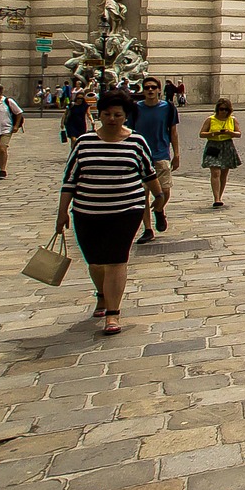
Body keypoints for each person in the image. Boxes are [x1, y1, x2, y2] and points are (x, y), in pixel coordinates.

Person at [57, 90, 160, 336]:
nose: (112, 119)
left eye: (117, 115)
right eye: (107, 114)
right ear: (98, 114)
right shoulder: (84, 142)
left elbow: (148, 173)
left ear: (126, 116)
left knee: (116, 259)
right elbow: (70, 180)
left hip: (127, 210)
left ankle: (113, 313)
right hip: (87, 211)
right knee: (95, 260)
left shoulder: (136, 141)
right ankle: (101, 293)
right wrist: (62, 213)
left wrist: (160, 196)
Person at [131, 78, 182, 243]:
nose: (150, 90)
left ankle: (159, 210)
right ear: (143, 90)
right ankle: (147, 229)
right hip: (140, 157)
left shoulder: (167, 108)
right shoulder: (136, 109)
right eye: (147, 88)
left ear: (159, 90)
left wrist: (176, 154)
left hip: (161, 154)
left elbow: (173, 132)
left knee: (164, 191)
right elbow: (129, 132)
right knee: (143, 194)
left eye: (153, 87)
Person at [198, 98, 242, 209]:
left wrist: (230, 132)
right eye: (222, 109)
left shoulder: (232, 120)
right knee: (215, 172)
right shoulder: (210, 119)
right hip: (213, 145)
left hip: (227, 146)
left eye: (226, 109)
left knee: (224, 173)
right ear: (217, 109)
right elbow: (202, 134)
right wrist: (213, 133)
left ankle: (220, 196)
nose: (224, 112)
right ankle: (216, 198)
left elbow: (238, 133)